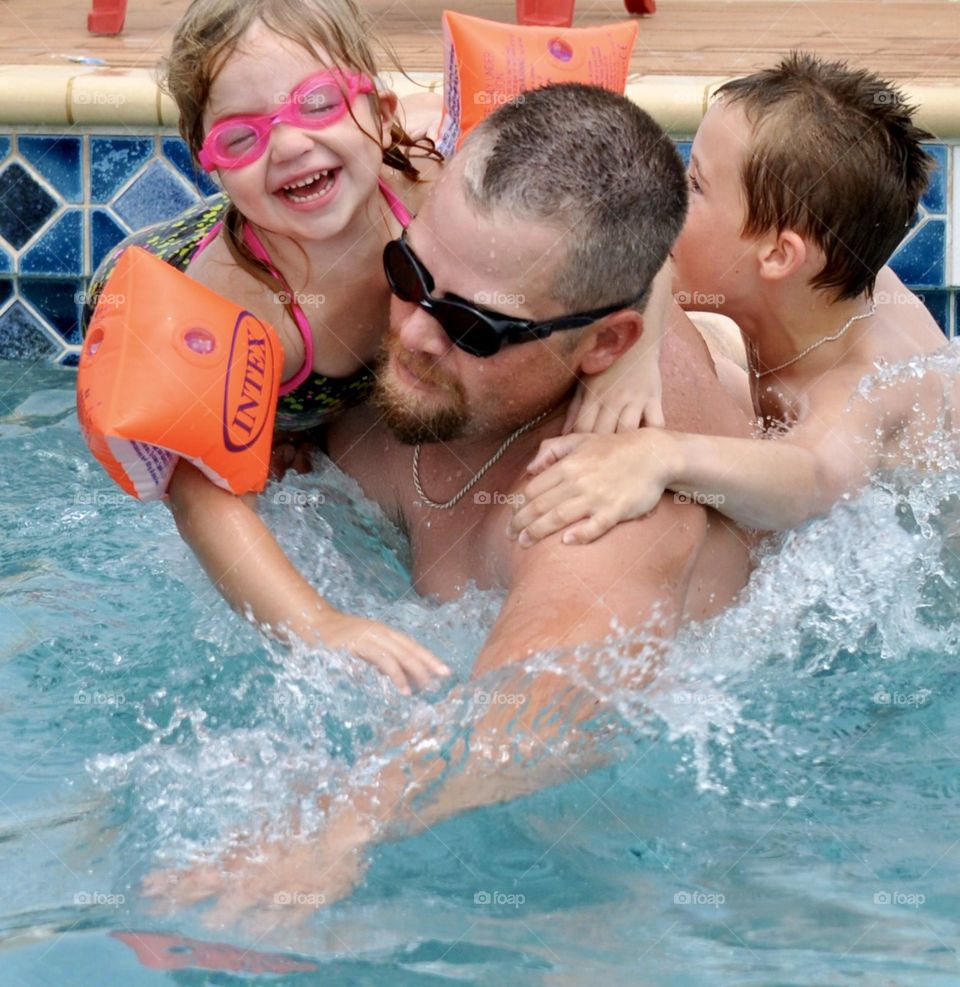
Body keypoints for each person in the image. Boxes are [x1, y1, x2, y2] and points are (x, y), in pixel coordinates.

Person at [144, 83, 755, 923]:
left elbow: (547, 699)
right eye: (409, 272)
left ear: (605, 343)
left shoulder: (605, 495)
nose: (416, 333)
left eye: (475, 327)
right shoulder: (387, 294)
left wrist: (335, 825)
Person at [508, 52, 948, 546]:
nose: (669, 190)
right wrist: (640, 351)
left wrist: (661, 455)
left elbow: (812, 480)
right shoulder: (829, 269)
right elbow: (656, 258)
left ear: (779, 255)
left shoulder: (859, 391)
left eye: (695, 184)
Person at [154, 0, 451, 692]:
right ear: (211, 167)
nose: (287, 146)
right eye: (240, 138)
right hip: (185, 286)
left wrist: (632, 369)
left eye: (317, 103)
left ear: (379, 114)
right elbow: (198, 491)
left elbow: (584, 220)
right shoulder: (234, 304)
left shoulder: (433, 193)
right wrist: (319, 623)